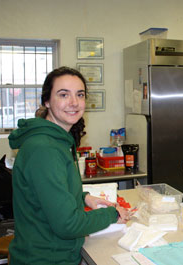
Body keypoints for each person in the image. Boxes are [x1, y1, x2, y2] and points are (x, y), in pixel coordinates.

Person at [8, 66, 129, 265]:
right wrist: (112, 214)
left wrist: (84, 198)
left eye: (79, 95)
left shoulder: (56, 141)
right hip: (45, 259)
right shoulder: (44, 149)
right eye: (64, 94)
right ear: (46, 101)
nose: (74, 102)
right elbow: (67, 224)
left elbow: (48, 195)